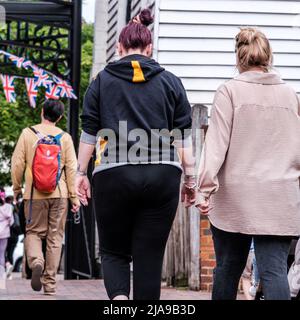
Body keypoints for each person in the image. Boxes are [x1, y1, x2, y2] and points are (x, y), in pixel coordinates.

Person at [76, 9, 195, 300]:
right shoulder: (171, 82)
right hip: (162, 175)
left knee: (114, 251)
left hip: (113, 174)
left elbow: (89, 132)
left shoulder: (101, 82)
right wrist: (191, 180)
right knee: (149, 257)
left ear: (119, 48)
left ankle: (119, 301)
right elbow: (183, 137)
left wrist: (80, 173)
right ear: (149, 48)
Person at [195, 27, 300, 300]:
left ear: (238, 57)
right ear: (268, 56)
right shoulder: (290, 96)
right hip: (279, 198)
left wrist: (204, 188)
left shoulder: (229, 92)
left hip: (235, 199)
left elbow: (215, 145)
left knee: (228, 270)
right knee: (275, 272)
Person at [11, 99, 80, 295]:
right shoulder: (65, 137)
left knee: (33, 232)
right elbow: (72, 168)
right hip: (60, 195)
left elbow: (17, 164)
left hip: (34, 195)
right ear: (59, 117)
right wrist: (73, 198)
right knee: (55, 237)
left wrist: (17, 188)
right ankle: (50, 284)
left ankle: (36, 261)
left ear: (42, 112)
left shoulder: (27, 134)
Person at [0, 188, 14, 283]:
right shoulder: (9, 207)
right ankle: (2, 275)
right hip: (4, 233)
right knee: (2, 254)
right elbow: (12, 222)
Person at [5, 195, 20, 280]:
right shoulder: (16, 209)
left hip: (6, 234)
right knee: (10, 253)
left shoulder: (6, 209)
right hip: (15, 236)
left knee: (3, 253)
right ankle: (9, 273)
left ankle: (8, 266)